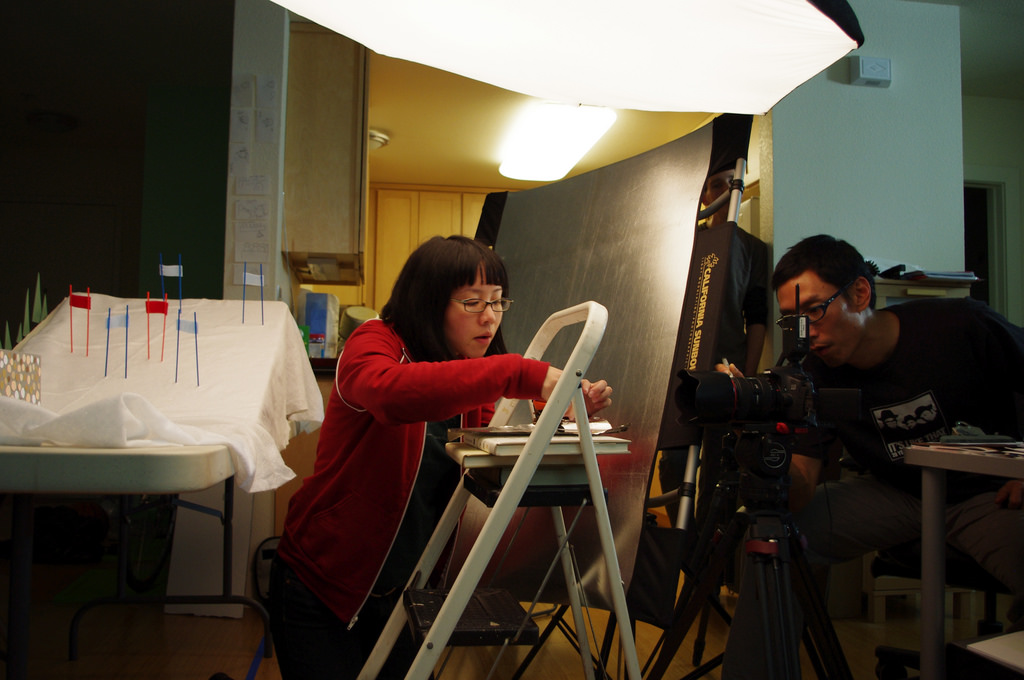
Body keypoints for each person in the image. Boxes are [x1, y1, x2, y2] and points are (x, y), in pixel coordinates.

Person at [269, 235, 613, 680]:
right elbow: (387, 393)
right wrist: (518, 373)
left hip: (404, 593)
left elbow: (485, 444)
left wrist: (553, 414)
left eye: (496, 302)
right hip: (320, 585)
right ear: (430, 301)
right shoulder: (374, 341)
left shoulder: (465, 369)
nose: (489, 317)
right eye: (472, 302)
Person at [721, 234, 1024, 678]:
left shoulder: (960, 326)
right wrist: (759, 433)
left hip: (987, 493)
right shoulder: (813, 375)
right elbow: (801, 490)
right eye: (792, 319)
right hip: (897, 492)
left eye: (815, 311)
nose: (807, 331)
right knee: (777, 537)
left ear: (860, 293)